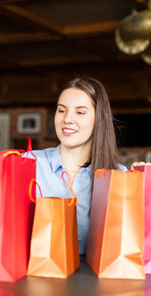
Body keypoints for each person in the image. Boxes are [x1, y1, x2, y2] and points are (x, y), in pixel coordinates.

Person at [31, 76, 133, 255]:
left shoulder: (119, 175)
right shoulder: (28, 163)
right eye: (62, 110)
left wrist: (141, 184)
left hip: (94, 281)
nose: (67, 119)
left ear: (98, 119)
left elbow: (130, 244)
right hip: (36, 276)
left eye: (80, 112)